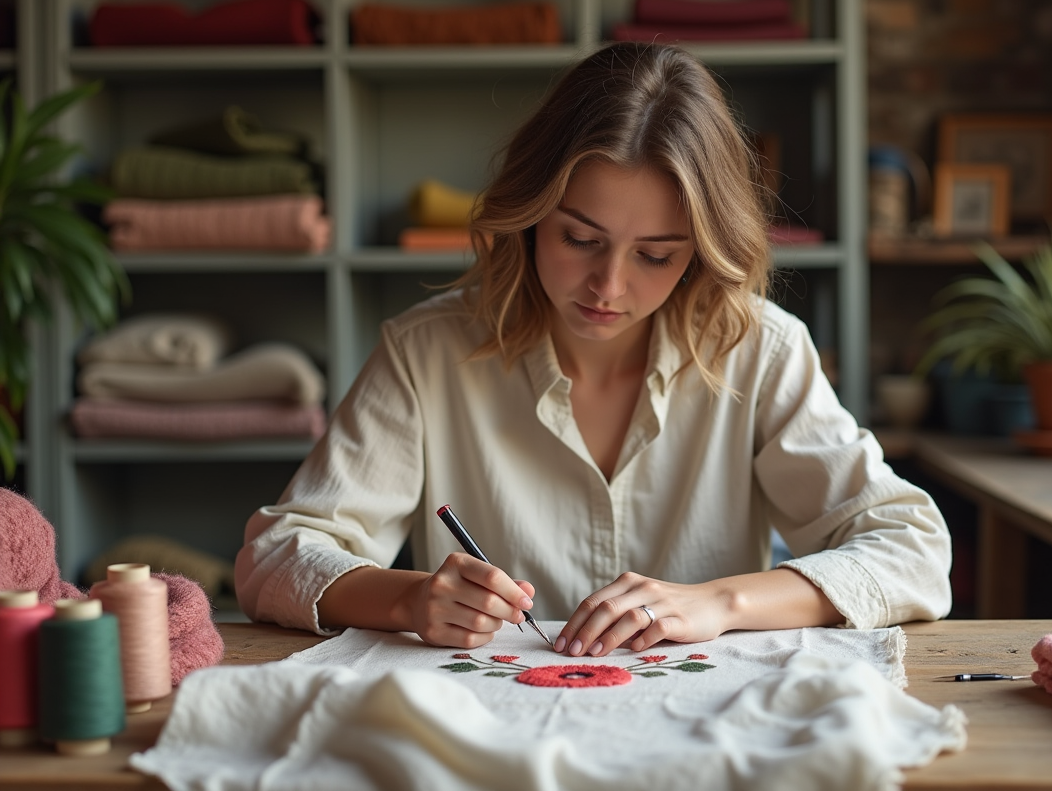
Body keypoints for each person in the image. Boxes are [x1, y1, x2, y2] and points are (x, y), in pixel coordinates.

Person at [235, 41, 952, 658]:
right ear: (530, 215)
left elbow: (913, 551)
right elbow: (274, 557)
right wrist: (407, 600)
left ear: (702, 254)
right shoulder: (427, 352)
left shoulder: (760, 351)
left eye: (657, 255)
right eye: (580, 239)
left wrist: (718, 605)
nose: (608, 286)